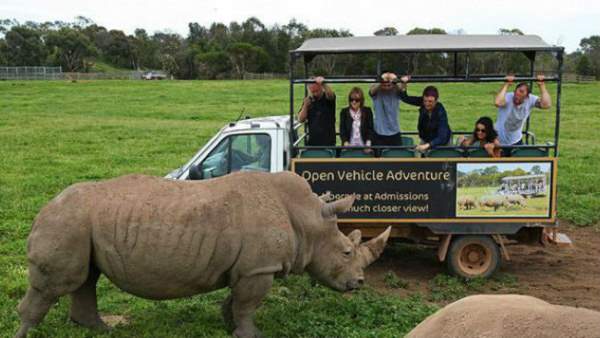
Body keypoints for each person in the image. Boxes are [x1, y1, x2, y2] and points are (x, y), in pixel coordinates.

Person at [494, 74, 552, 156]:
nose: (517, 95)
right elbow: (497, 102)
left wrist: (541, 85)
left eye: (521, 92)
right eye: (517, 91)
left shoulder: (530, 99)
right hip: (498, 140)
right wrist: (506, 84)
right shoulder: (508, 97)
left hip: (516, 141)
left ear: (527, 96)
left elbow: (546, 105)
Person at [399, 78, 452, 152]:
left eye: (430, 101)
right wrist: (403, 83)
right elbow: (405, 98)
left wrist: (427, 145)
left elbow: (442, 137)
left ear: (436, 100)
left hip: (442, 143)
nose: (427, 104)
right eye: (425, 101)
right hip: (426, 139)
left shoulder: (441, 111)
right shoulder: (422, 102)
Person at [369, 71, 407, 146]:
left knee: (396, 155)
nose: (387, 87)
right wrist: (382, 80)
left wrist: (395, 79)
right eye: (384, 84)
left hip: (395, 132)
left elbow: (403, 90)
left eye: (389, 84)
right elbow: (371, 91)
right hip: (379, 133)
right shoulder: (377, 91)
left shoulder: (396, 90)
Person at [298, 76, 336, 146]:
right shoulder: (308, 101)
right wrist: (305, 106)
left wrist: (324, 83)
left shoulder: (328, 98)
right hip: (313, 142)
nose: (315, 93)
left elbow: (331, 95)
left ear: (321, 87)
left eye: (317, 91)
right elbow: (300, 119)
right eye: (313, 91)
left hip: (329, 142)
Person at [339, 87, 375, 153]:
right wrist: (345, 143)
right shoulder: (344, 112)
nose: (354, 102)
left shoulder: (367, 111)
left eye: (357, 100)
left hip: (365, 147)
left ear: (361, 100)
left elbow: (370, 129)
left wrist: (368, 144)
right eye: (351, 99)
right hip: (349, 147)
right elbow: (342, 130)